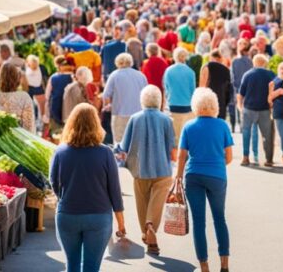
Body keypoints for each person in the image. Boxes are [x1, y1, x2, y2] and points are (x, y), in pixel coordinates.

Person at [50, 104, 125, 272]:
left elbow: (53, 183)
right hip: (99, 217)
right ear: (96, 124)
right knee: (91, 267)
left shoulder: (60, 152)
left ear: (71, 124)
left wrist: (64, 197)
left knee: (72, 265)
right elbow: (114, 190)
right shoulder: (105, 153)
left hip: (67, 215)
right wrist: (121, 222)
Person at [175, 88, 233, 272]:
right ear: (214, 106)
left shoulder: (189, 126)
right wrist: (215, 162)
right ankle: (224, 264)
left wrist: (177, 177)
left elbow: (181, 156)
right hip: (217, 176)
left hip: (193, 176)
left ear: (196, 106)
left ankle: (204, 266)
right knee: (219, 219)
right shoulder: (222, 125)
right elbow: (229, 158)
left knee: (198, 222)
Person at [118, 86, 175, 257]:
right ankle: (151, 226)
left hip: (140, 168)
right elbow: (172, 147)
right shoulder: (167, 120)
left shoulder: (135, 118)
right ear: (159, 101)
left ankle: (145, 231)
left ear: (142, 100)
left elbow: (124, 146)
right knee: (157, 202)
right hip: (163, 169)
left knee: (142, 202)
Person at [237, 54, 275, 167]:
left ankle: (245, 157)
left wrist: (240, 107)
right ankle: (268, 159)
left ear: (254, 63)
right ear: (264, 63)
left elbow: (240, 94)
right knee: (267, 135)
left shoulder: (247, 75)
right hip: (265, 109)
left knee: (246, 133)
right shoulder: (270, 74)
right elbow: (274, 90)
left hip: (249, 108)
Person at [103, 53, 149, 142]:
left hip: (119, 113)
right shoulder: (141, 75)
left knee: (119, 143)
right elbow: (146, 94)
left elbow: (106, 95)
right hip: (138, 113)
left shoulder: (114, 75)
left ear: (117, 63)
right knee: (136, 143)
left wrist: (108, 106)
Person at [164, 48, 197, 138]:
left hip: (173, 105)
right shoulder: (190, 72)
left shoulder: (168, 71)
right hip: (187, 106)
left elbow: (166, 89)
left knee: (175, 136)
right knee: (186, 136)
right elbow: (192, 91)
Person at [0, 64, 36, 133]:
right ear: (17, 78)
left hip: (3, 138)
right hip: (21, 139)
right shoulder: (24, 97)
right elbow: (29, 125)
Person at [199, 50, 232, 122]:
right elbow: (228, 91)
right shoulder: (226, 70)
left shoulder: (206, 67)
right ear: (220, 59)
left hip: (207, 103)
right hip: (221, 104)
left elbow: (201, 87)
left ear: (211, 57)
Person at [228, 39, 253, 132]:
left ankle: (237, 126)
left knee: (238, 106)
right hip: (244, 87)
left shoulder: (236, 61)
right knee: (242, 107)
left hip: (239, 87)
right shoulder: (248, 61)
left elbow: (232, 76)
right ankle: (240, 126)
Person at [48, 56, 77, 131]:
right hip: (70, 111)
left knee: (56, 133)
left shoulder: (53, 77)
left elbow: (47, 96)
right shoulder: (74, 78)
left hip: (55, 109)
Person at [24, 54, 47, 122]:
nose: (34, 66)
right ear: (29, 63)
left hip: (39, 88)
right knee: (32, 107)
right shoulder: (25, 68)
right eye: (32, 64)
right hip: (30, 89)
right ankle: (33, 120)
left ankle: (42, 120)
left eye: (35, 64)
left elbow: (46, 78)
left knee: (42, 106)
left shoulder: (42, 67)